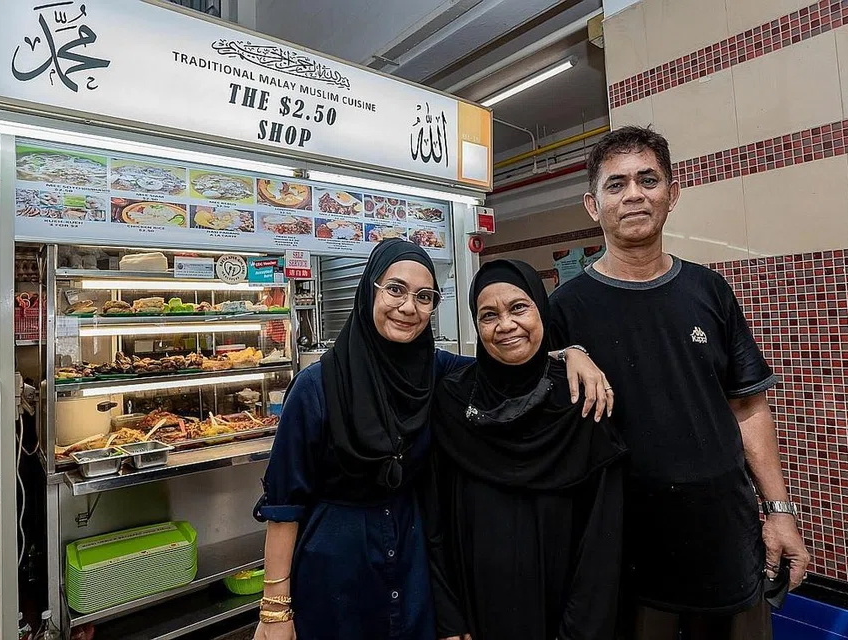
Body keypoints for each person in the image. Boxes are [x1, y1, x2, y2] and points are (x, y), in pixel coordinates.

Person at [253, 239, 613, 640]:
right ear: (369, 289)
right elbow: (284, 503)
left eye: (424, 297)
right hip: (337, 565)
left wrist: (569, 353)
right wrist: (275, 610)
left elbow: (504, 359)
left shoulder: (436, 373)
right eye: (395, 289)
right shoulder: (316, 386)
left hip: (412, 562)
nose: (408, 307)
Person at [548, 126, 812, 640]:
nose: (634, 194)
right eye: (616, 184)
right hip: (627, 549)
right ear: (591, 204)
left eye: (648, 180)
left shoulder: (709, 290)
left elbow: (749, 408)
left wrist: (779, 511)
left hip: (724, 538)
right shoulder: (566, 309)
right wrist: (562, 352)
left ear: (673, 193)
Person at [424, 259, 627, 640]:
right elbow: (434, 522)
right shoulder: (453, 402)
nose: (505, 325)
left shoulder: (581, 403)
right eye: (488, 315)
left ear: (541, 311)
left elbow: (602, 544)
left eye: (519, 307)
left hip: (562, 620)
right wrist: (449, 618)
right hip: (475, 616)